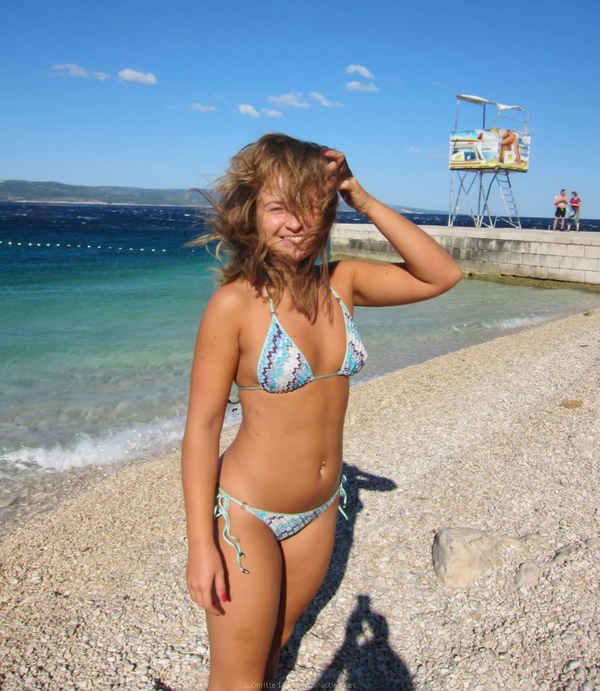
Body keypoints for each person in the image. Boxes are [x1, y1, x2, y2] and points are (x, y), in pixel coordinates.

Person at [181, 133, 462, 689]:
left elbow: (441, 274)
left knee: (278, 641)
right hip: (247, 515)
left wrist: (360, 195)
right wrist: (200, 545)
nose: (295, 223)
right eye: (277, 207)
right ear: (251, 213)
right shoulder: (234, 304)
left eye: (311, 205)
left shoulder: (342, 283)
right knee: (237, 679)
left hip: (320, 511)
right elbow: (202, 427)